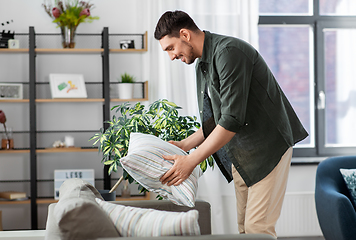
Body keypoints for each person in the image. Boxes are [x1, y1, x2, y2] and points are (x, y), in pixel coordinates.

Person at [154, 10, 308, 238]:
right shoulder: (202, 65)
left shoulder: (229, 53)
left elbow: (231, 120)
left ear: (185, 34)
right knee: (245, 229)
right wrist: (185, 145)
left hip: (268, 148)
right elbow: (217, 118)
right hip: (242, 153)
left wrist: (191, 161)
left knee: (258, 230)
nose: (172, 56)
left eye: (170, 48)